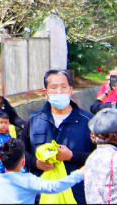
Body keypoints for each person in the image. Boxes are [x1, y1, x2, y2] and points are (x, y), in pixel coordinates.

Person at [21, 69, 94, 204]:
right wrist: (35, 162)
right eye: (54, 88)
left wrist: (72, 156)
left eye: (63, 87)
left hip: (77, 195)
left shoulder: (88, 121)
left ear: (71, 90)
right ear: (46, 92)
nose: (59, 92)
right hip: (41, 194)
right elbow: (21, 152)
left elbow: (99, 157)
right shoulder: (33, 120)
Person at [0, 138, 84, 204]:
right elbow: (54, 187)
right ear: (23, 161)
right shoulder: (28, 180)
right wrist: (80, 173)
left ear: (0, 160)